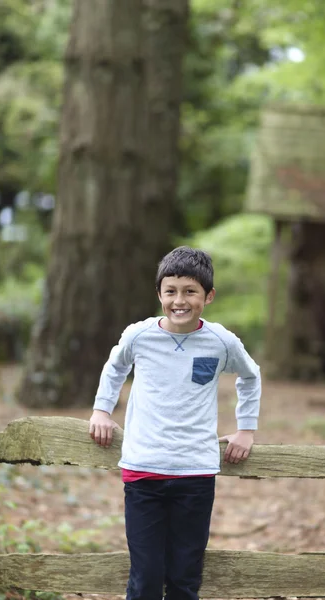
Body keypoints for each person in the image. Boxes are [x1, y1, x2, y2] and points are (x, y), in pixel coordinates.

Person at [89, 246, 261, 600]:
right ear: (159, 294)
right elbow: (115, 367)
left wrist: (246, 428)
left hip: (195, 475)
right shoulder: (140, 336)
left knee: (184, 579)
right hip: (143, 474)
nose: (179, 300)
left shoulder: (220, 342)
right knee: (146, 579)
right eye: (171, 291)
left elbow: (251, 376)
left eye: (190, 291)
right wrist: (101, 410)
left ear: (208, 296)